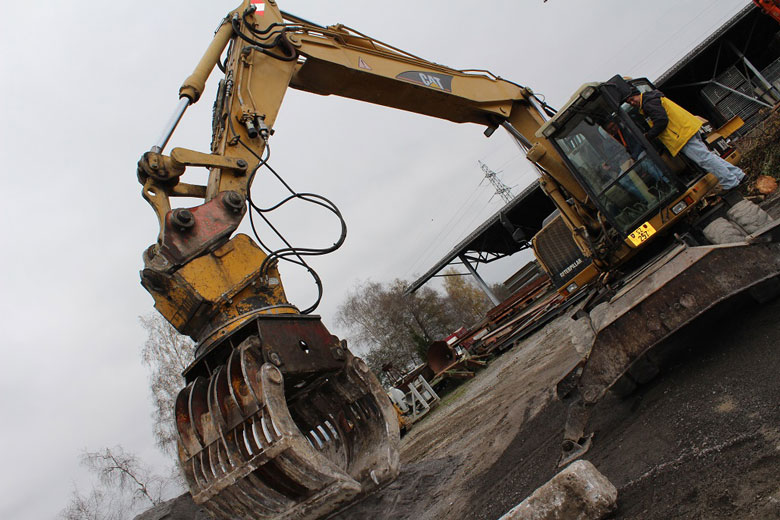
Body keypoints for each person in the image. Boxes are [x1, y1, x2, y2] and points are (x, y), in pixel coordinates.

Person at [625, 89, 746, 191]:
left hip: (681, 135)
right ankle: (738, 175)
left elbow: (661, 121)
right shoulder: (652, 98)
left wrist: (649, 135)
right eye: (629, 102)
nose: (632, 103)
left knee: (705, 160)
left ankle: (730, 182)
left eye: (632, 99)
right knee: (708, 157)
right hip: (686, 130)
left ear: (637, 94)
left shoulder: (648, 103)